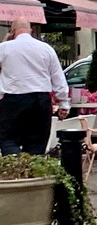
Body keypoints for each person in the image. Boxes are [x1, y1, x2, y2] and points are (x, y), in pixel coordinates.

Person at [0, 17, 70, 155]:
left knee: (8, 139)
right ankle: (32, 170)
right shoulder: (46, 48)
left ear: (13, 31)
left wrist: (4, 42)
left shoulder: (4, 48)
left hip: (13, 100)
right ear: (30, 30)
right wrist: (64, 102)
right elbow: (57, 77)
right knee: (37, 141)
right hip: (40, 99)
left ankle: (15, 170)